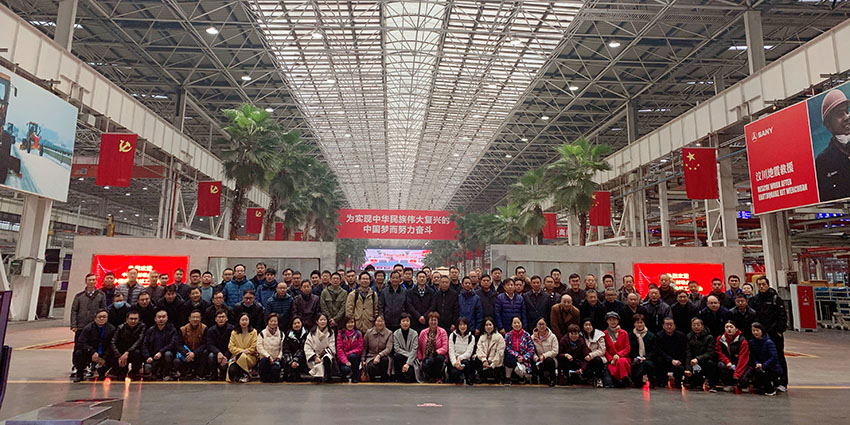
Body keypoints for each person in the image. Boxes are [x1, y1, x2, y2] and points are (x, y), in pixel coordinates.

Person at [750, 276, 789, 391]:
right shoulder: (755, 300)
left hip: (774, 334)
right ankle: (764, 382)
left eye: (764, 284)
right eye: (759, 284)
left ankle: (782, 383)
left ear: (768, 285)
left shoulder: (776, 299)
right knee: (761, 358)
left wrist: (779, 331)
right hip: (759, 336)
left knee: (778, 357)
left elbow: (782, 316)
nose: (762, 286)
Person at [814, 88, 850, 201]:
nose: (847, 117)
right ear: (828, 125)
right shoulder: (823, 161)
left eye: (847, 111)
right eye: (840, 114)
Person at [72, 309, 115, 382]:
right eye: (100, 317)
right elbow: (81, 342)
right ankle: (79, 374)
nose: (102, 319)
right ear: (95, 318)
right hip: (91, 353)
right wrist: (92, 351)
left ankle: (103, 371)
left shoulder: (111, 329)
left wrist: (104, 358)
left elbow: (112, 344)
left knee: (115, 355)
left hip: (104, 353)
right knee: (79, 353)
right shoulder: (88, 328)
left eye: (104, 317)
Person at [142, 309, 179, 381]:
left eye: (163, 317)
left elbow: (172, 344)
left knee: (168, 354)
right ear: (155, 319)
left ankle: (167, 373)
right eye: (159, 317)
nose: (161, 319)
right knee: (147, 368)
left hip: (166, 356)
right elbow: (144, 345)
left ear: (167, 318)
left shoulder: (172, 330)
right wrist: (147, 356)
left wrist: (161, 352)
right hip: (153, 356)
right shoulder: (150, 330)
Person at [108, 309, 145, 380]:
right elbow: (113, 342)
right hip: (121, 351)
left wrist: (127, 352)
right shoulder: (121, 327)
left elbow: (139, 341)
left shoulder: (142, 327)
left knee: (137, 353)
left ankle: (134, 372)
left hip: (133, 351)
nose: (133, 321)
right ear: (127, 319)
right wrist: (119, 355)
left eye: (135, 319)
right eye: (131, 319)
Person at [715, 320, 750, 392]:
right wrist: (727, 362)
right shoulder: (720, 339)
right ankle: (728, 384)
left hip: (740, 365)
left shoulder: (742, 341)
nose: (729, 329)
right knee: (720, 365)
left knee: (743, 379)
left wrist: (737, 374)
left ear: (736, 329)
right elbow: (719, 352)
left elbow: (743, 358)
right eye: (727, 327)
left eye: (731, 327)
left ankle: (743, 385)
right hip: (729, 364)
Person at [749, 322, 782, 396]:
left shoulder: (769, 342)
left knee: (764, 372)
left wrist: (763, 365)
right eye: (753, 330)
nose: (755, 332)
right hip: (759, 365)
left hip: (771, 367)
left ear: (762, 331)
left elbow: (774, 357)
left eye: (757, 330)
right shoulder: (751, 342)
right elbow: (753, 356)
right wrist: (756, 363)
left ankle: (772, 387)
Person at [684, 317, 717, 391]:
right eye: (694, 325)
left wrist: (698, 359)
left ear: (702, 326)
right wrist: (688, 368)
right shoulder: (689, 336)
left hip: (704, 360)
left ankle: (712, 385)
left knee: (710, 363)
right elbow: (688, 352)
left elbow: (710, 353)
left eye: (698, 325)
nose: (696, 327)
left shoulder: (709, 337)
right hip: (693, 361)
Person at [417, 311, 449, 383]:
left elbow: (445, 347)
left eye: (435, 320)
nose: (433, 322)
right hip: (426, 356)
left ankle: (438, 378)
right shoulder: (423, 332)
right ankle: (430, 378)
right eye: (431, 320)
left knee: (438, 359)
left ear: (438, 321)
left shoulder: (443, 332)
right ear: (428, 321)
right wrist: (420, 359)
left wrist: (436, 352)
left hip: (438, 356)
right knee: (427, 362)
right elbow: (418, 348)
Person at [655, 317, 686, 388]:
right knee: (659, 360)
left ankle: (678, 381)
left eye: (671, 325)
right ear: (663, 326)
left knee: (680, 367)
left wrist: (679, 361)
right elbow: (660, 351)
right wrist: (671, 360)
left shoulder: (681, 336)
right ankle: (662, 381)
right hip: (665, 360)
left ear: (674, 325)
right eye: (667, 324)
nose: (669, 326)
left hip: (677, 360)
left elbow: (683, 350)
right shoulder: (658, 336)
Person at [227, 312, 258, 383]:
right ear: (239, 321)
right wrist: (242, 352)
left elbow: (253, 347)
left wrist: (241, 353)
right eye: (242, 320)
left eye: (246, 320)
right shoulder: (234, 332)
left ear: (249, 321)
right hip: (236, 357)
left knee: (242, 357)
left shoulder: (254, 332)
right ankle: (245, 375)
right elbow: (231, 347)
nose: (244, 322)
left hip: (250, 357)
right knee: (232, 370)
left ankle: (245, 374)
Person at [602, 312, 631, 388]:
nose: (612, 322)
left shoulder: (624, 333)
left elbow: (627, 348)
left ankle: (622, 379)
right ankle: (623, 379)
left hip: (623, 357)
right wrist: (611, 359)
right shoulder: (604, 334)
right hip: (611, 360)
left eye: (614, 319)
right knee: (616, 364)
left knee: (621, 361)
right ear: (607, 321)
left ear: (618, 321)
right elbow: (604, 349)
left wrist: (618, 355)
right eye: (610, 320)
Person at [305, 313, 336, 383]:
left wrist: (321, 355)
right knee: (317, 365)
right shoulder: (312, 333)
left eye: (324, 320)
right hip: (315, 355)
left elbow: (331, 346)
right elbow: (307, 346)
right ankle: (318, 376)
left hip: (326, 354)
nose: (323, 322)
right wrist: (315, 357)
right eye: (321, 320)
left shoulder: (330, 332)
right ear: (317, 321)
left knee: (327, 358)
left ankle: (328, 375)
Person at [472, 317, 505, 384]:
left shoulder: (499, 337)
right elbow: (479, 350)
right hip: (484, 363)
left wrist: (492, 364)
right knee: (475, 358)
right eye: (486, 325)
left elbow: (500, 353)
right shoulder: (482, 337)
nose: (488, 327)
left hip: (495, 364)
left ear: (493, 326)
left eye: (490, 325)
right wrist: (484, 360)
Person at [175, 310, 207, 380]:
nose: (195, 319)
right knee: (177, 360)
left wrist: (194, 353)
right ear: (189, 318)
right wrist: (187, 353)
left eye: (197, 317)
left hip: (198, 354)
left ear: (200, 318)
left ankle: (200, 375)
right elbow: (179, 344)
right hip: (186, 354)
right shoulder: (183, 329)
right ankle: (183, 375)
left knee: (205, 352)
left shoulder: (204, 328)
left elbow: (205, 344)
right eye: (193, 317)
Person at [503, 316, 534, 386]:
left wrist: (523, 357)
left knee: (519, 370)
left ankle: (522, 377)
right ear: (511, 324)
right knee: (508, 359)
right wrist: (516, 355)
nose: (517, 324)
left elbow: (531, 349)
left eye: (518, 322)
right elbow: (506, 347)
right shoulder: (508, 335)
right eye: (514, 323)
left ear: (521, 323)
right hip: (513, 358)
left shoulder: (527, 335)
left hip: (523, 360)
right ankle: (508, 378)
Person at [628, 314, 657, 388]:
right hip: (635, 359)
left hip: (648, 359)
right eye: (637, 323)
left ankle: (652, 381)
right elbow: (629, 350)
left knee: (647, 364)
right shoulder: (630, 336)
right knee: (637, 365)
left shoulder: (651, 336)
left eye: (641, 322)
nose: (639, 325)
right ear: (634, 324)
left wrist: (646, 357)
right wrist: (636, 357)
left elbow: (654, 350)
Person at [205, 310, 234, 381]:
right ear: (215, 319)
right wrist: (218, 352)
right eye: (219, 317)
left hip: (229, 352)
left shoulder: (232, 329)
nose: (221, 319)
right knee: (210, 356)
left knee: (225, 368)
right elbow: (210, 344)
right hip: (216, 352)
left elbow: (233, 344)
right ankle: (213, 375)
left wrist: (226, 356)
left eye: (223, 317)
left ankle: (224, 374)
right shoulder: (211, 330)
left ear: (226, 318)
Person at [363, 315, 393, 382]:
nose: (380, 323)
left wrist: (379, 355)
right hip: (371, 356)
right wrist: (362, 360)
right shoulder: (368, 332)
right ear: (375, 322)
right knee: (371, 367)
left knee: (385, 360)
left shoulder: (389, 333)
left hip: (384, 356)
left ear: (384, 322)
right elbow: (364, 348)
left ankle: (384, 379)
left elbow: (388, 348)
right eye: (378, 321)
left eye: (381, 321)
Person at [256, 312, 284, 382]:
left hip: (276, 360)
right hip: (265, 360)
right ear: (268, 322)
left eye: (275, 321)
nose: (273, 323)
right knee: (264, 378)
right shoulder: (262, 333)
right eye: (271, 321)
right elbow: (259, 347)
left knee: (275, 375)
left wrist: (278, 358)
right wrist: (268, 356)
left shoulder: (281, 334)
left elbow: (282, 349)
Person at [531, 317, 559, 387]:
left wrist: (544, 356)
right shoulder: (532, 337)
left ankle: (553, 379)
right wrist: (536, 358)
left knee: (549, 360)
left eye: (543, 324)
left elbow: (555, 351)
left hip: (550, 359)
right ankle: (540, 378)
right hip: (538, 360)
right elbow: (531, 351)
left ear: (546, 325)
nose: (541, 326)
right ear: (536, 326)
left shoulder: (552, 337)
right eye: (539, 324)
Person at [447, 317, 476, 385]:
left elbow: (469, 353)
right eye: (460, 324)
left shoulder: (471, 337)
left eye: (464, 324)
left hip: (465, 360)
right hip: (454, 361)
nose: (462, 326)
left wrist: (459, 359)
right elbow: (451, 351)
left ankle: (468, 378)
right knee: (455, 375)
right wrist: (455, 363)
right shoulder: (452, 336)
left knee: (466, 363)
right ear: (457, 326)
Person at [392, 313, 419, 383]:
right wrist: (408, 354)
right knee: (397, 356)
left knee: (409, 376)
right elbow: (397, 349)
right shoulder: (395, 334)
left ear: (410, 322)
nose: (405, 323)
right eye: (403, 321)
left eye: (407, 321)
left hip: (411, 360)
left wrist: (408, 363)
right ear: (400, 323)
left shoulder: (415, 333)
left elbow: (414, 350)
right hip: (401, 358)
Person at [336, 316, 364, 383]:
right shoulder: (341, 334)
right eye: (348, 323)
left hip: (354, 358)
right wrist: (345, 361)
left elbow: (360, 348)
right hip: (343, 358)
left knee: (352, 356)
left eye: (352, 322)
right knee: (345, 369)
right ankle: (343, 375)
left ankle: (355, 375)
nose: (350, 324)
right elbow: (339, 350)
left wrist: (349, 353)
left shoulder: (358, 333)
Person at [581, 318, 607, 388]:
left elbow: (602, 350)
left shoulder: (599, 335)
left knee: (597, 360)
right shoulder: (581, 335)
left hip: (596, 357)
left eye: (590, 325)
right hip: (584, 358)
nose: (588, 327)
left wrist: (591, 355)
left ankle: (599, 378)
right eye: (586, 325)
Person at [281, 316, 308, 381]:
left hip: (302, 357)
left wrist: (296, 360)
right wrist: (291, 361)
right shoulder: (288, 335)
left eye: (298, 323)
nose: (297, 325)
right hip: (290, 358)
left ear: (301, 323)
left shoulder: (306, 334)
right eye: (294, 323)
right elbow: (286, 349)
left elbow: (303, 349)